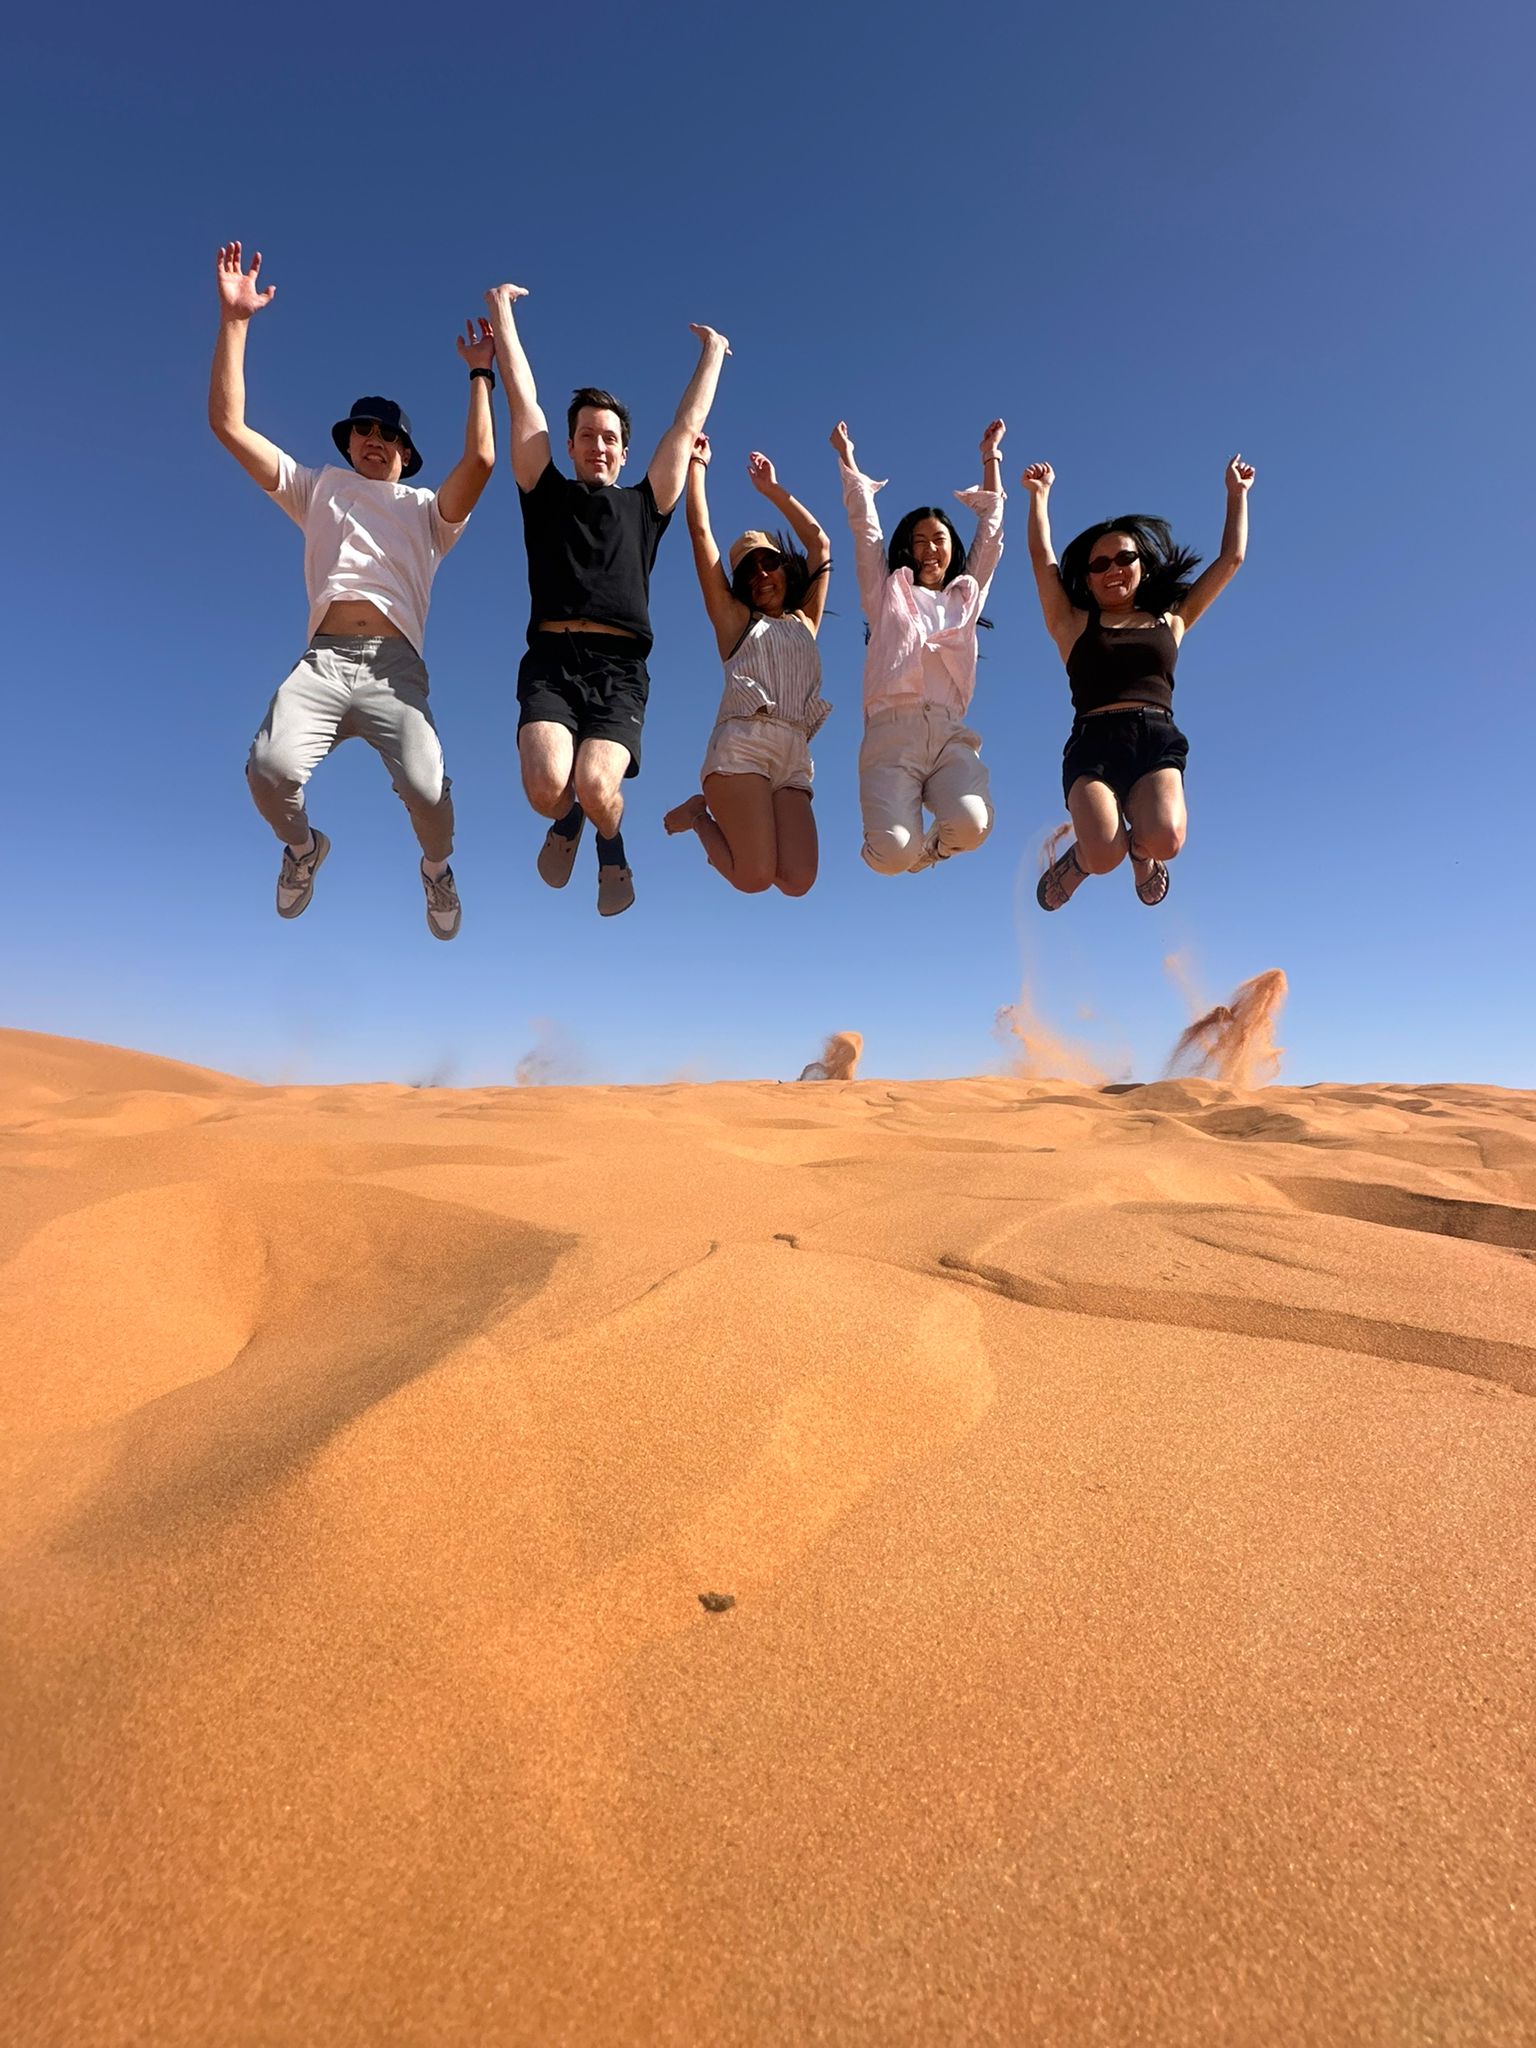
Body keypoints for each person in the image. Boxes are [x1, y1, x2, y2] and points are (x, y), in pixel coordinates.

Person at [209, 242, 494, 939]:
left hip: (396, 671)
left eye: (388, 434)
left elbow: (483, 460)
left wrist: (481, 375)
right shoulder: (318, 489)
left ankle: (435, 870)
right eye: (362, 429)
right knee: (268, 769)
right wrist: (235, 321)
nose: (373, 439)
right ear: (348, 442)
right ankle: (304, 850)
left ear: (404, 453)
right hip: (324, 662)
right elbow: (228, 426)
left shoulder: (426, 512)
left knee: (428, 789)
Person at [483, 282, 731, 917]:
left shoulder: (645, 506)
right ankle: (565, 821)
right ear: (570, 445)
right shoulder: (544, 491)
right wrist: (502, 314)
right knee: (546, 788)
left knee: (597, 784)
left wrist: (713, 354)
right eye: (587, 435)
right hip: (551, 660)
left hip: (620, 671)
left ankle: (609, 840)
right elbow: (524, 400)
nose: (598, 445)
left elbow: (686, 427)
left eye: (610, 437)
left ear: (624, 451)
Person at [1022, 455, 1255, 911]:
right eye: (1100, 563)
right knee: (1105, 854)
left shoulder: (1172, 619)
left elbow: (1232, 559)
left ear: (1142, 566)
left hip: (1155, 736)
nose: (1113, 568)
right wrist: (1040, 499)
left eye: (1125, 557)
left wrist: (1236, 495)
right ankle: (1085, 859)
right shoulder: (1071, 624)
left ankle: (1143, 855)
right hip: (1094, 742)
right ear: (1087, 581)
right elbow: (1042, 561)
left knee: (1166, 838)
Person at [829, 418, 1006, 876]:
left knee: (972, 824)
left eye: (939, 539)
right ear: (907, 550)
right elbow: (866, 533)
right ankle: (897, 847)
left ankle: (936, 850)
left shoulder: (967, 595)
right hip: (892, 733)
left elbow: (991, 529)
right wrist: (847, 460)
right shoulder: (884, 592)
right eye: (919, 541)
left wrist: (991, 458)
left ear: (952, 548)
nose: (929, 549)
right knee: (892, 858)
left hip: (948, 732)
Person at [662, 438, 831, 895]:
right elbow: (701, 536)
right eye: (748, 571)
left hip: (795, 754)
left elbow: (819, 542)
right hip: (744, 748)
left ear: (783, 569)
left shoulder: (805, 620)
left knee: (798, 880)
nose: (760, 574)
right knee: (754, 877)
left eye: (769, 563)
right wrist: (697, 467)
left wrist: (772, 490)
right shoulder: (735, 622)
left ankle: (709, 816)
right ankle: (698, 816)